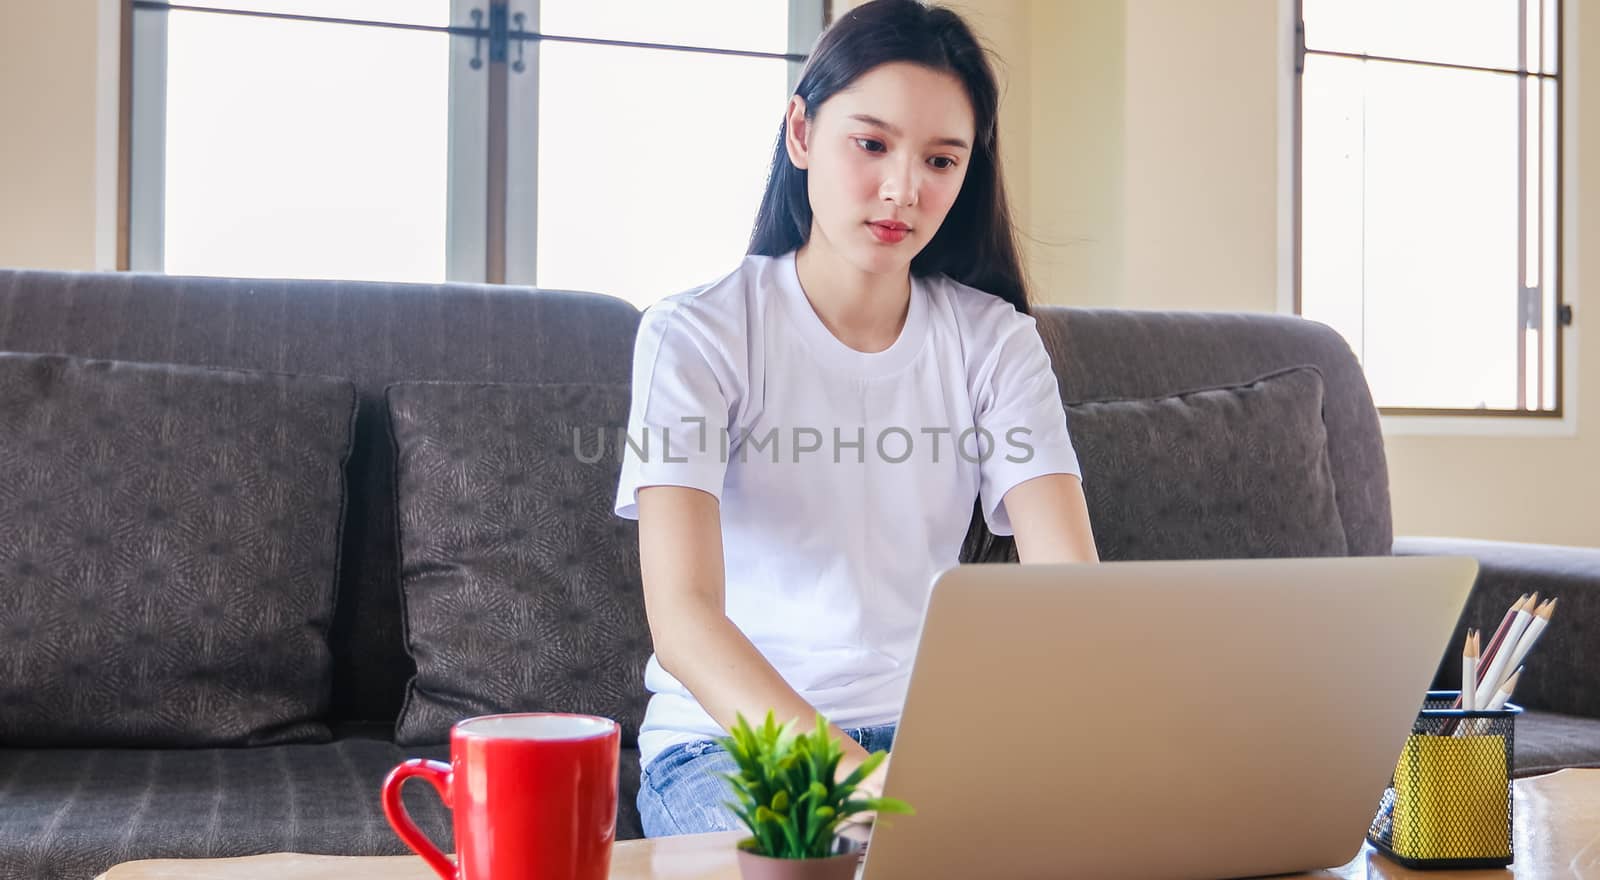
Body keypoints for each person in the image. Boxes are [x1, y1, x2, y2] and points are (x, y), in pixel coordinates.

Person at [612, 0, 1099, 838]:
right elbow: (684, 618)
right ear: (801, 132)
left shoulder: (996, 344)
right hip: (732, 748)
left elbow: (1071, 593)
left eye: (941, 160)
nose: (903, 190)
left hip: (937, 740)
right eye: (870, 144)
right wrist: (847, 774)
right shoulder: (694, 334)